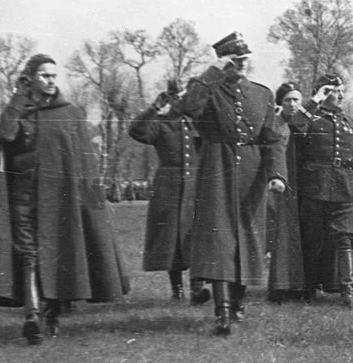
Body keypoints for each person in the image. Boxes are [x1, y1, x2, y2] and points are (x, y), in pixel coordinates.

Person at [0, 53, 129, 343]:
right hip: (23, 195)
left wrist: (92, 202)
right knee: (28, 253)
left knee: (58, 254)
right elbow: (4, 135)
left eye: (54, 75)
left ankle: (52, 312)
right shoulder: (18, 110)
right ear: (30, 79)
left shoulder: (71, 114)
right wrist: (18, 97)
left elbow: (84, 164)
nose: (51, 80)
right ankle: (32, 316)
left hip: (60, 200)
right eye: (44, 75)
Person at [177, 32, 287, 334]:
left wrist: (277, 174)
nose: (240, 64)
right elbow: (188, 106)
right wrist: (214, 70)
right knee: (218, 239)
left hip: (252, 172)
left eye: (243, 59)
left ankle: (237, 303)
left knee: (247, 239)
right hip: (216, 168)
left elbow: (273, 139)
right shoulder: (205, 89)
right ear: (223, 60)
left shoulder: (262, 94)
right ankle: (222, 312)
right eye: (233, 59)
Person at [285, 73, 353, 307]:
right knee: (314, 239)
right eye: (333, 91)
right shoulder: (310, 118)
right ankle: (311, 287)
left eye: (341, 90)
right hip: (315, 186)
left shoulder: (351, 121)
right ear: (322, 93)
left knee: (344, 238)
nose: (340, 94)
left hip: (345, 188)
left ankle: (347, 290)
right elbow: (295, 125)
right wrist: (315, 98)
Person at [128, 80, 209, 304]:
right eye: (176, 98)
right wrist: (153, 109)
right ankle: (177, 290)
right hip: (168, 186)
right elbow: (135, 131)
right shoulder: (160, 123)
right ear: (170, 99)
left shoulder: (198, 123)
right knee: (170, 238)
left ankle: (197, 287)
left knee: (196, 234)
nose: (180, 102)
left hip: (196, 185)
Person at [265, 82, 308, 302]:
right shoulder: (275, 123)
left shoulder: (298, 122)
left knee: (295, 236)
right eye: (288, 100)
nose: (292, 104)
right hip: (279, 186)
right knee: (281, 237)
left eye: (296, 100)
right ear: (280, 101)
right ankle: (279, 287)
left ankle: (297, 285)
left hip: (298, 184)